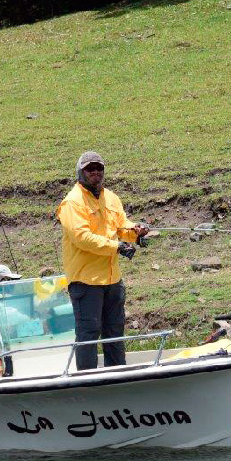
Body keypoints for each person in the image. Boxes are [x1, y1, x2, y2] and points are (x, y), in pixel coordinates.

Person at [56, 151, 149, 370]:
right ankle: (87, 382)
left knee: (115, 331)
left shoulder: (112, 197)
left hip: (112, 279)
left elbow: (121, 226)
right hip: (85, 281)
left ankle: (118, 376)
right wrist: (116, 247)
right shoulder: (72, 202)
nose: (95, 172)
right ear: (81, 172)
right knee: (89, 333)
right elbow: (82, 238)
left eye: (99, 168)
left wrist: (136, 231)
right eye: (90, 169)